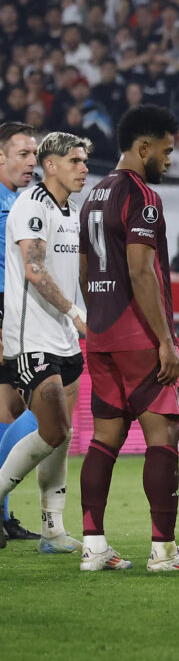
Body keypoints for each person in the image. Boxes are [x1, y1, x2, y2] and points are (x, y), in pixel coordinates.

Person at [78, 104, 179, 573]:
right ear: (144, 148)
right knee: (163, 434)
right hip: (138, 334)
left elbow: (84, 270)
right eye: (167, 151)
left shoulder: (93, 194)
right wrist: (165, 341)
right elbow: (140, 270)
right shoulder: (143, 196)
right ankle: (164, 552)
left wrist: (99, 323)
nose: (170, 160)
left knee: (105, 437)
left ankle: (94, 548)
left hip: (100, 333)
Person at [0, 132, 90, 556]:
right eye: (75, 161)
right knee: (52, 429)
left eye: (85, 160)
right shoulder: (32, 206)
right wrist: (75, 311)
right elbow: (34, 270)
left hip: (65, 339)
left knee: (63, 434)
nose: (84, 167)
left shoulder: (71, 209)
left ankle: (52, 530)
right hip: (31, 337)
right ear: (52, 167)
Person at [0, 122, 37, 543]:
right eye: (24, 154)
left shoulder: (26, 200)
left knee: (9, 410)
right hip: (2, 310)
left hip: (17, 311)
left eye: (34, 154)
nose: (31, 162)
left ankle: (5, 513)